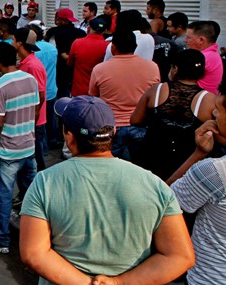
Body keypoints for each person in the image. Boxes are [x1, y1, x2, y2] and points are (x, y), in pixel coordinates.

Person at [20, 96, 195, 285]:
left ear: (69, 137)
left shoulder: (46, 182)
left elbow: (34, 253)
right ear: (112, 133)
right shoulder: (153, 184)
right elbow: (180, 256)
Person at [167, 83, 226, 285]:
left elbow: (163, 202)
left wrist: (197, 154)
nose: (213, 112)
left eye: (220, 107)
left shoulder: (214, 171)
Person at [0, 42, 39, 255]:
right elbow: (36, 109)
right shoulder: (30, 79)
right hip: (29, 146)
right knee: (31, 195)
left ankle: (1, 239)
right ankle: (36, 237)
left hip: (8, 151)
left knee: (4, 197)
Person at [131, 49, 215, 180]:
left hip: (152, 157)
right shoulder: (209, 99)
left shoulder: (156, 90)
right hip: (186, 165)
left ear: (175, 68)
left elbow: (135, 120)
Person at [89, 31, 160, 163]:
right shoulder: (152, 67)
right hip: (141, 125)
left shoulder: (100, 69)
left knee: (108, 165)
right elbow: (155, 98)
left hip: (111, 126)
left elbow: (93, 98)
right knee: (140, 166)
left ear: (113, 47)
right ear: (135, 46)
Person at [14, 28, 48, 171]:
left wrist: (32, 117)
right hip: (29, 119)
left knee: (36, 156)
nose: (12, 42)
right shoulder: (24, 62)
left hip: (34, 121)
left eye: (13, 39)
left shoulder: (32, 66)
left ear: (20, 43)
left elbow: (40, 95)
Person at [45, 8, 86, 98]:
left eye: (58, 19)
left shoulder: (54, 32)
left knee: (62, 95)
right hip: (78, 67)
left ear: (63, 20)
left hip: (60, 69)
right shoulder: (82, 33)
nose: (57, 21)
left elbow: (59, 52)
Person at [67, 16, 108, 97]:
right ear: (105, 31)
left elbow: (70, 63)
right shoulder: (108, 46)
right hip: (98, 92)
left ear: (88, 28)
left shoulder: (77, 43)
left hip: (79, 91)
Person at [185, 20, 223, 95]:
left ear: (201, 40)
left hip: (200, 101)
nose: (185, 40)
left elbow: (181, 79)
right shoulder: (212, 55)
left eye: (188, 37)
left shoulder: (204, 58)